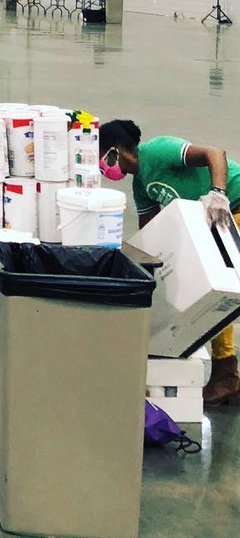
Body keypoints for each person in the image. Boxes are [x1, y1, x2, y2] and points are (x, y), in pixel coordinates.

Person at [99, 120, 240, 406]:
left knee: (222, 288)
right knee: (215, 290)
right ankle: (227, 372)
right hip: (214, 220)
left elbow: (215, 153)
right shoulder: (140, 185)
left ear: (116, 152)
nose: (105, 168)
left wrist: (218, 194)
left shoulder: (159, 150)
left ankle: (226, 375)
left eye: (104, 158)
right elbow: (150, 233)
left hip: (232, 206)